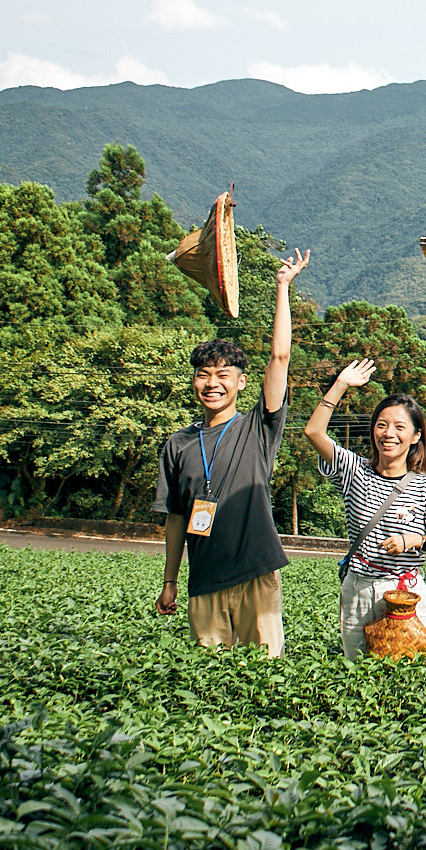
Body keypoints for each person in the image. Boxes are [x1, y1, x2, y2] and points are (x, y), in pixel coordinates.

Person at [154, 250, 307, 655]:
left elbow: (280, 357)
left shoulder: (259, 427)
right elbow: (175, 519)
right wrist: (171, 581)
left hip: (256, 573)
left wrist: (282, 287)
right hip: (203, 580)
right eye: (203, 374)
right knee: (209, 678)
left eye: (223, 375)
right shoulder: (178, 444)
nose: (212, 383)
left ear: (241, 383)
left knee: (265, 675)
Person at [302, 358, 426, 660]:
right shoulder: (354, 470)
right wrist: (341, 384)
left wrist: (416, 540)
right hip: (359, 589)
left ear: (415, 437)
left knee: (410, 676)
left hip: (406, 593)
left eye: (400, 427)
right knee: (358, 671)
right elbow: (313, 432)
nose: (389, 433)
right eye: (382, 425)